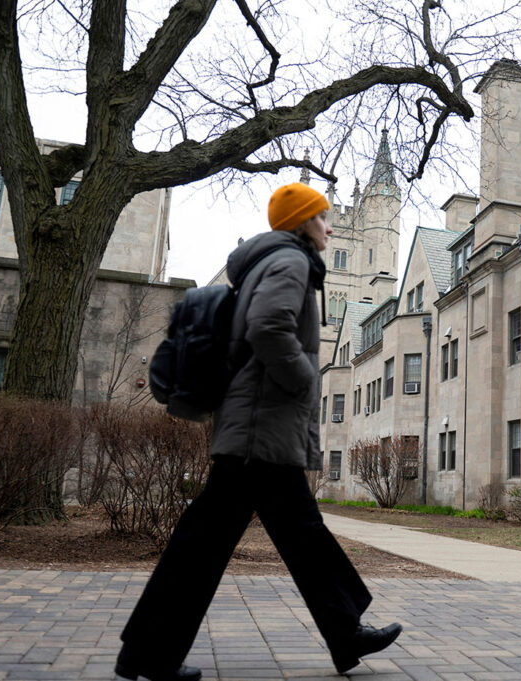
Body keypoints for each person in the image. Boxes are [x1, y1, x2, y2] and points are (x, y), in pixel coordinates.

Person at [116, 183, 402, 681]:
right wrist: (306, 381)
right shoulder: (289, 261)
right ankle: (149, 654)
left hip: (257, 429)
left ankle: (345, 630)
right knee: (213, 544)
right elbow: (269, 327)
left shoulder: (272, 261)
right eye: (322, 218)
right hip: (260, 432)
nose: (330, 227)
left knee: (298, 536)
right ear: (302, 222)